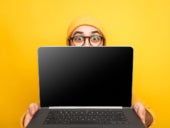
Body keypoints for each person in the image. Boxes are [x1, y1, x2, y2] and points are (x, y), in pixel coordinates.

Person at [21, 15, 154, 128]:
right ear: (69, 44)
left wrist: (141, 113)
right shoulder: (57, 76)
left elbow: (149, 116)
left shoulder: (118, 78)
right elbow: (41, 112)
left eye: (95, 38)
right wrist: (31, 116)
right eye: (79, 38)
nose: (87, 44)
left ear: (103, 43)